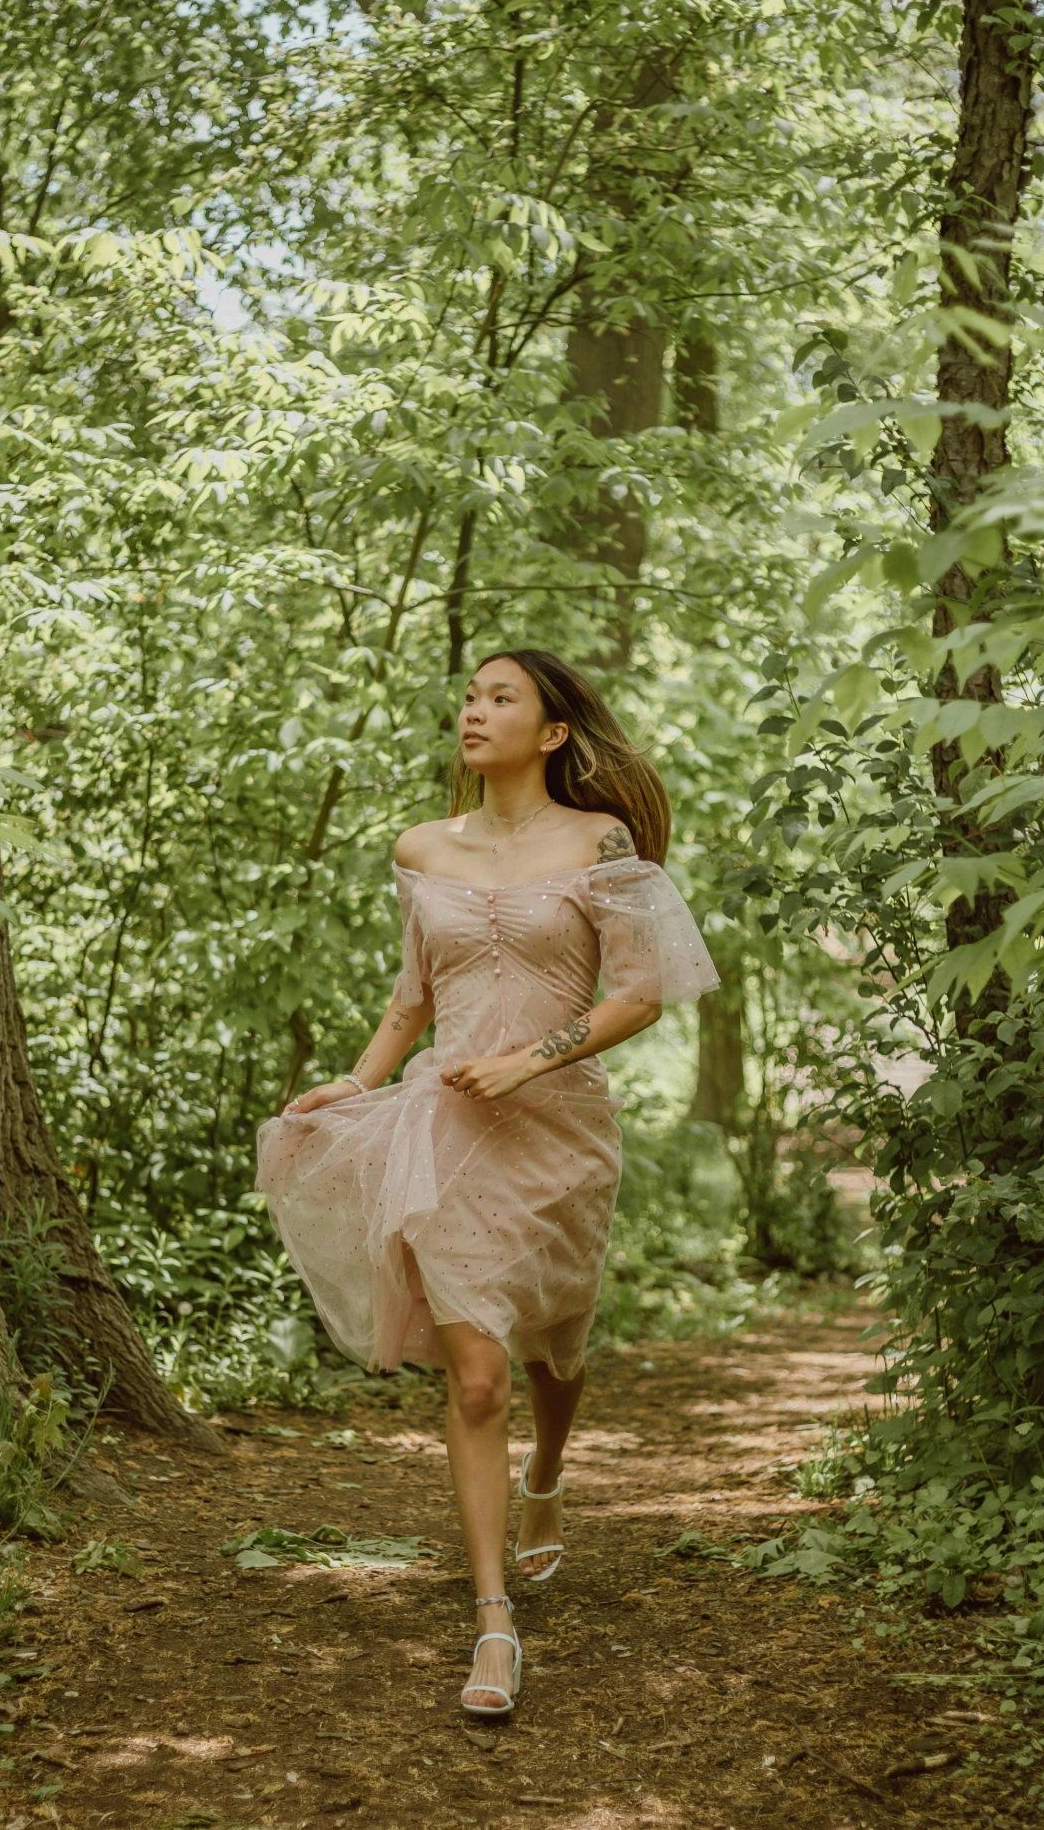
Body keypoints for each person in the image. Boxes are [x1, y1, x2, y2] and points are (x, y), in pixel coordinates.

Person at [256, 648, 718, 1718]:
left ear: (552, 732)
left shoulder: (599, 841)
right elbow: (410, 999)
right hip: (447, 1128)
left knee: (555, 1343)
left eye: (500, 697)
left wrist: (531, 1057)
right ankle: (492, 1618)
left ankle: (547, 1475)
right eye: (468, 694)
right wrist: (357, 1082)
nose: (474, 708)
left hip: (559, 1131)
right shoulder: (419, 846)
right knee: (474, 1376)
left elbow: (641, 994)